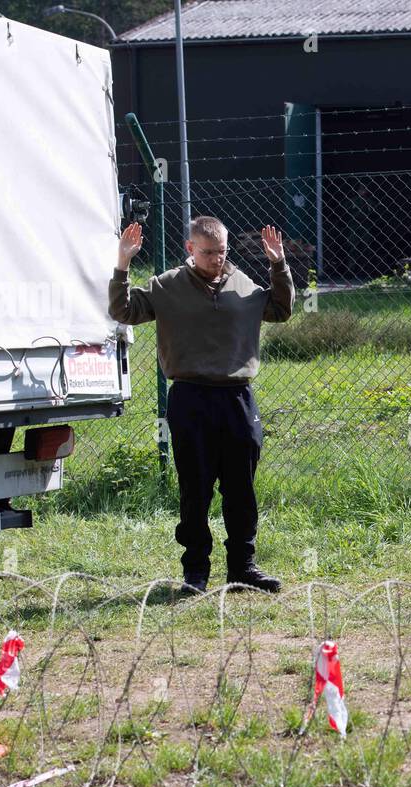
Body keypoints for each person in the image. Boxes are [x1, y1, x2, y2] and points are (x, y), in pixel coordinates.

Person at [110, 216, 293, 595]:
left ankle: (243, 567)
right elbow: (124, 311)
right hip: (190, 397)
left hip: (237, 398)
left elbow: (281, 309)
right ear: (191, 249)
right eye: (207, 252)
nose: (215, 259)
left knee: (241, 488)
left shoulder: (243, 285)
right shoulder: (166, 287)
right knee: (196, 489)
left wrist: (278, 263)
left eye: (221, 252)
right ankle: (195, 572)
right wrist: (123, 263)